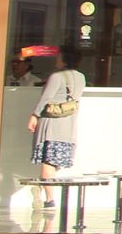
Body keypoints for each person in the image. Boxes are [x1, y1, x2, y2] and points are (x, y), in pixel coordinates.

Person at [25, 49, 85, 215]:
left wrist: (34, 115)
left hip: (51, 122)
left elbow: (46, 98)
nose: (56, 59)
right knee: (56, 160)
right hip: (69, 122)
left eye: (59, 57)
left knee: (48, 160)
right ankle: (45, 191)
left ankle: (49, 199)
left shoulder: (56, 76)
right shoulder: (81, 77)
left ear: (64, 60)